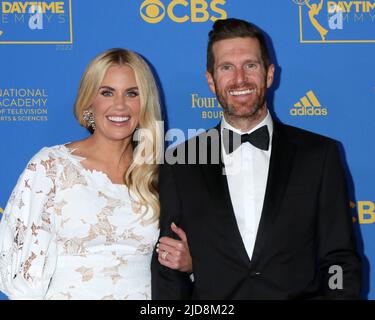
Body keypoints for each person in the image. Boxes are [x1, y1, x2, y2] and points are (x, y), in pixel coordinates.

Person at [151, 18, 362, 299]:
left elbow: (340, 260)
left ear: (270, 74)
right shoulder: (180, 161)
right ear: (211, 81)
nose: (240, 78)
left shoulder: (319, 155)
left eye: (250, 65)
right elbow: (169, 265)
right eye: (227, 67)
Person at [0, 48, 192, 300]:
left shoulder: (161, 175)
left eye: (132, 93)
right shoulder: (50, 166)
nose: (120, 105)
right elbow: (19, 272)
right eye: (107, 92)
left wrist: (190, 264)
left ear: (145, 102)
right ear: (90, 101)